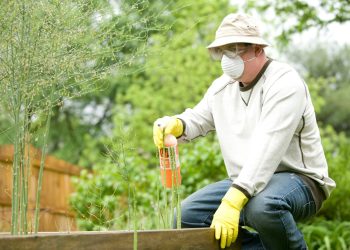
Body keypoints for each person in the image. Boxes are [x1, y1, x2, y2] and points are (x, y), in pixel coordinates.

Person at [153, 13, 336, 250]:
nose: (228, 57)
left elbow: (269, 148)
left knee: (261, 206)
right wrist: (176, 124)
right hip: (244, 182)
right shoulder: (222, 87)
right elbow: (198, 118)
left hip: (300, 180)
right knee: (184, 218)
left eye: (237, 48)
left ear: (258, 49)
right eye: (224, 50)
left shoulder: (284, 82)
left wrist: (233, 200)